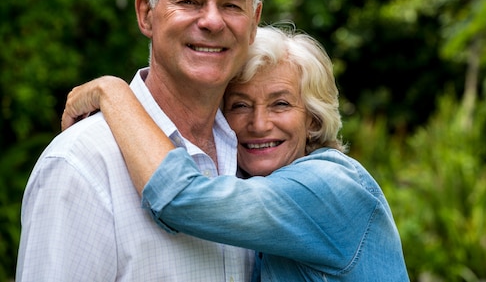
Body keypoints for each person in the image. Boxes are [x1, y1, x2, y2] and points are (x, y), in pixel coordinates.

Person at [61, 25, 410, 282]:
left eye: (281, 104)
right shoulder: (250, 186)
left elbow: (183, 197)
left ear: (314, 120)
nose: (259, 124)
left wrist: (113, 92)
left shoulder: (328, 185)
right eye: (241, 105)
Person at [16, 0, 263, 281]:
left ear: (254, 22)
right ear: (146, 14)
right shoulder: (82, 164)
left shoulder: (260, 154)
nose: (211, 20)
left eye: (231, 4)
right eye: (189, 1)